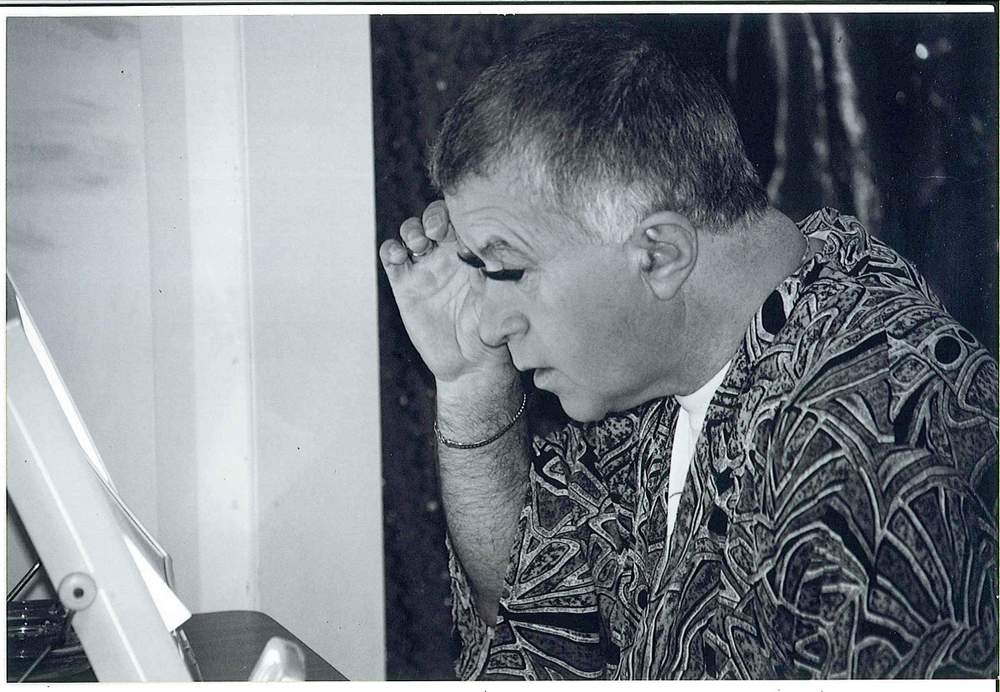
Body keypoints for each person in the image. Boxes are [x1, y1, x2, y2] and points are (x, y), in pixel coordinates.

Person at [379, 22, 998, 680]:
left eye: (508, 270)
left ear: (660, 254)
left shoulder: (879, 439)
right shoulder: (659, 361)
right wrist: (472, 384)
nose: (493, 321)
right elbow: (545, 629)